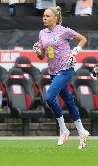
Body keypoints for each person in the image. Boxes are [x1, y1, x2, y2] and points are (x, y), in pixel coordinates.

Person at [33, 6, 89, 149]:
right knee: (69, 102)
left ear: (55, 18)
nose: (44, 18)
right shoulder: (42, 33)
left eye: (47, 16)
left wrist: (74, 53)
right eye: (43, 16)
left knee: (50, 97)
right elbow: (42, 56)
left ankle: (64, 130)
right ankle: (82, 131)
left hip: (66, 69)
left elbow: (83, 39)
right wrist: (38, 52)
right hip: (53, 71)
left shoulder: (64, 31)